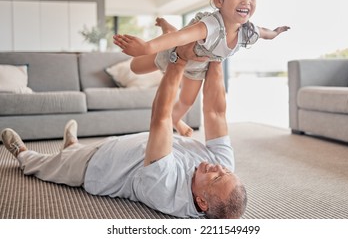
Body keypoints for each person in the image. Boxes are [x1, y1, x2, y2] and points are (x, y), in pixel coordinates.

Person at [1, 43, 247, 219]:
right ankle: (72, 146)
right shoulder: (224, 168)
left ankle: (22, 153)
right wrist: (217, 54)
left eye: (215, 177)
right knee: (72, 152)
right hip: (126, 146)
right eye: (224, 171)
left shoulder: (166, 190)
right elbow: (215, 112)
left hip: (97, 166)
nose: (217, 167)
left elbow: (160, 118)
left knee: (46, 165)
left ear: (201, 202)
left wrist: (178, 61)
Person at [113, 0, 290, 137]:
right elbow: (180, 39)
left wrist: (275, 33)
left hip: (198, 67)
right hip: (175, 53)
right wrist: (146, 47)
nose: (246, 1)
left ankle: (175, 121)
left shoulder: (247, 32)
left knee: (186, 102)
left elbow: (264, 33)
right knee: (136, 67)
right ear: (219, 0)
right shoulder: (210, 25)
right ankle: (167, 29)